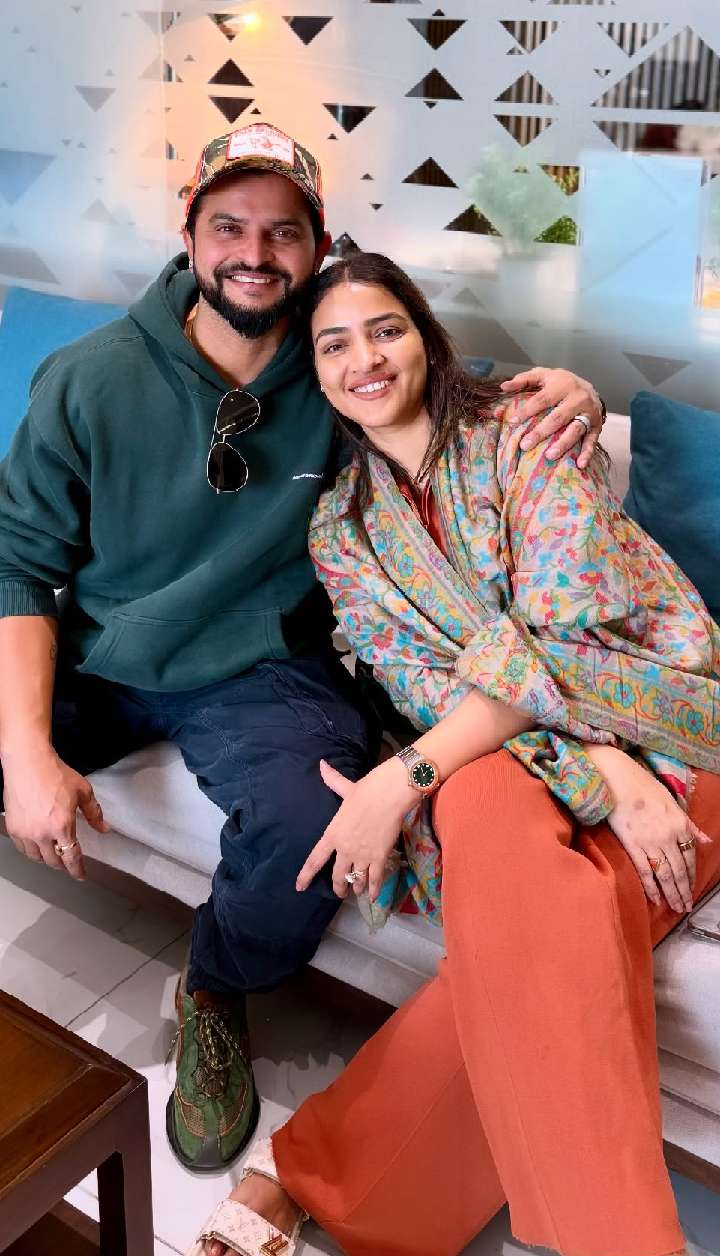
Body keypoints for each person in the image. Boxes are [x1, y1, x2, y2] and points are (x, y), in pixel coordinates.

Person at [0, 125, 604, 1174]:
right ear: (189, 231)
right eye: (229, 225)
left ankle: (215, 985)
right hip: (99, 645)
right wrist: (26, 754)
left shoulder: (337, 372)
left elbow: (446, 396)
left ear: (318, 246)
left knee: (310, 822)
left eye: (284, 232)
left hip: (259, 665)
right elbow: (20, 564)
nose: (254, 252)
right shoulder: (87, 378)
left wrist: (574, 396)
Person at [185, 253, 720, 1256]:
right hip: (535, 752)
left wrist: (402, 779)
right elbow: (424, 688)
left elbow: (575, 632)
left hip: (673, 727)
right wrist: (597, 772)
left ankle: (308, 1171)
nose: (364, 358)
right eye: (334, 344)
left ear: (425, 338)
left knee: (494, 868)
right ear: (315, 372)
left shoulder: (529, 430)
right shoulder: (341, 530)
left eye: (384, 329)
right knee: (483, 814)